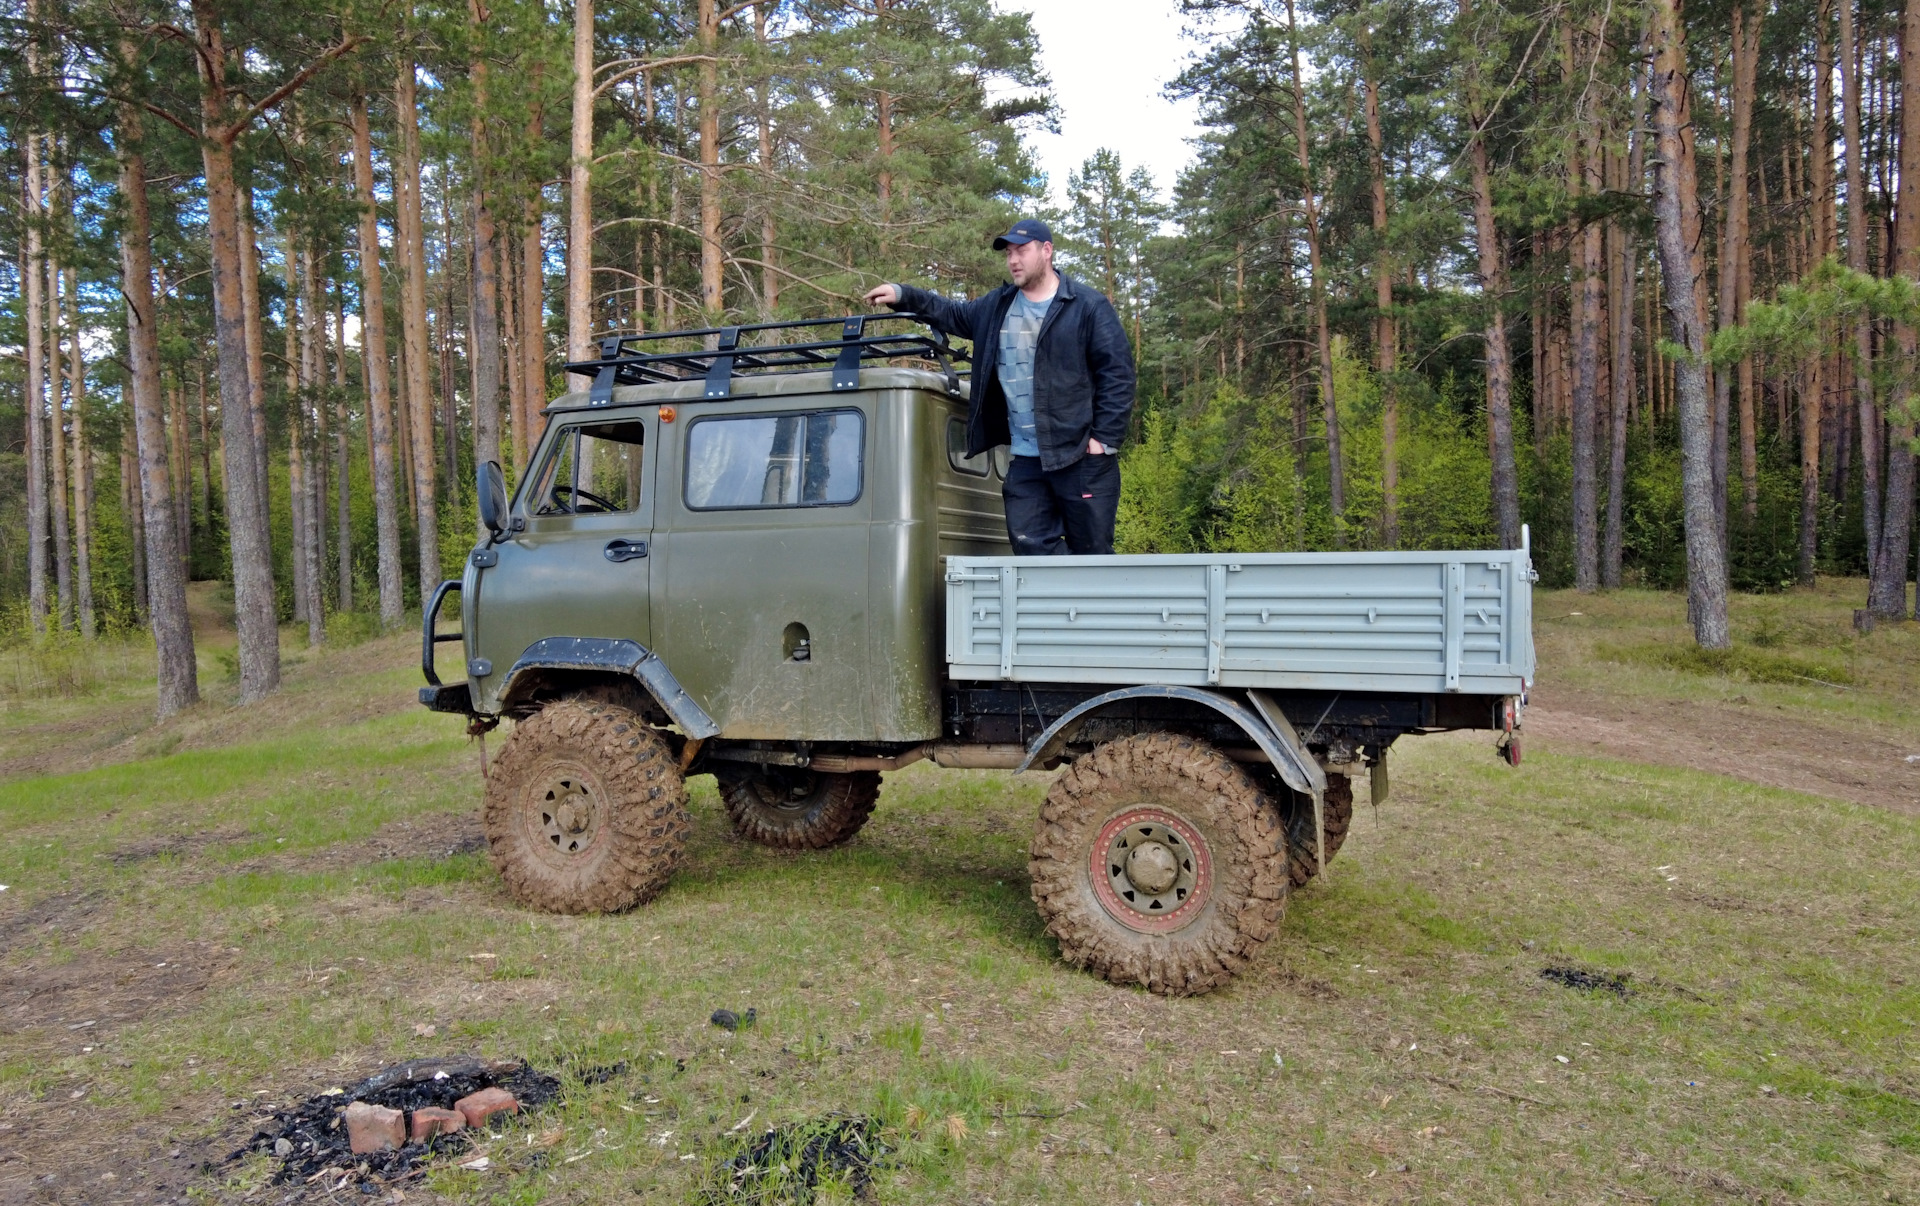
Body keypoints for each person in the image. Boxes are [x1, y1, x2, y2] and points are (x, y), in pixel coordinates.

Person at [864, 218, 1135, 555]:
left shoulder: (1087, 306)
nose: (1013, 260)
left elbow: (1118, 374)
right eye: (1008, 253)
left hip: (1080, 458)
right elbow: (950, 312)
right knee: (1030, 549)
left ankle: (1083, 589)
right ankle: (1061, 588)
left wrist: (1103, 441)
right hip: (1025, 461)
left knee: (1092, 556)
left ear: (1046, 250)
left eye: (1022, 251)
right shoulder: (996, 307)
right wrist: (903, 295)